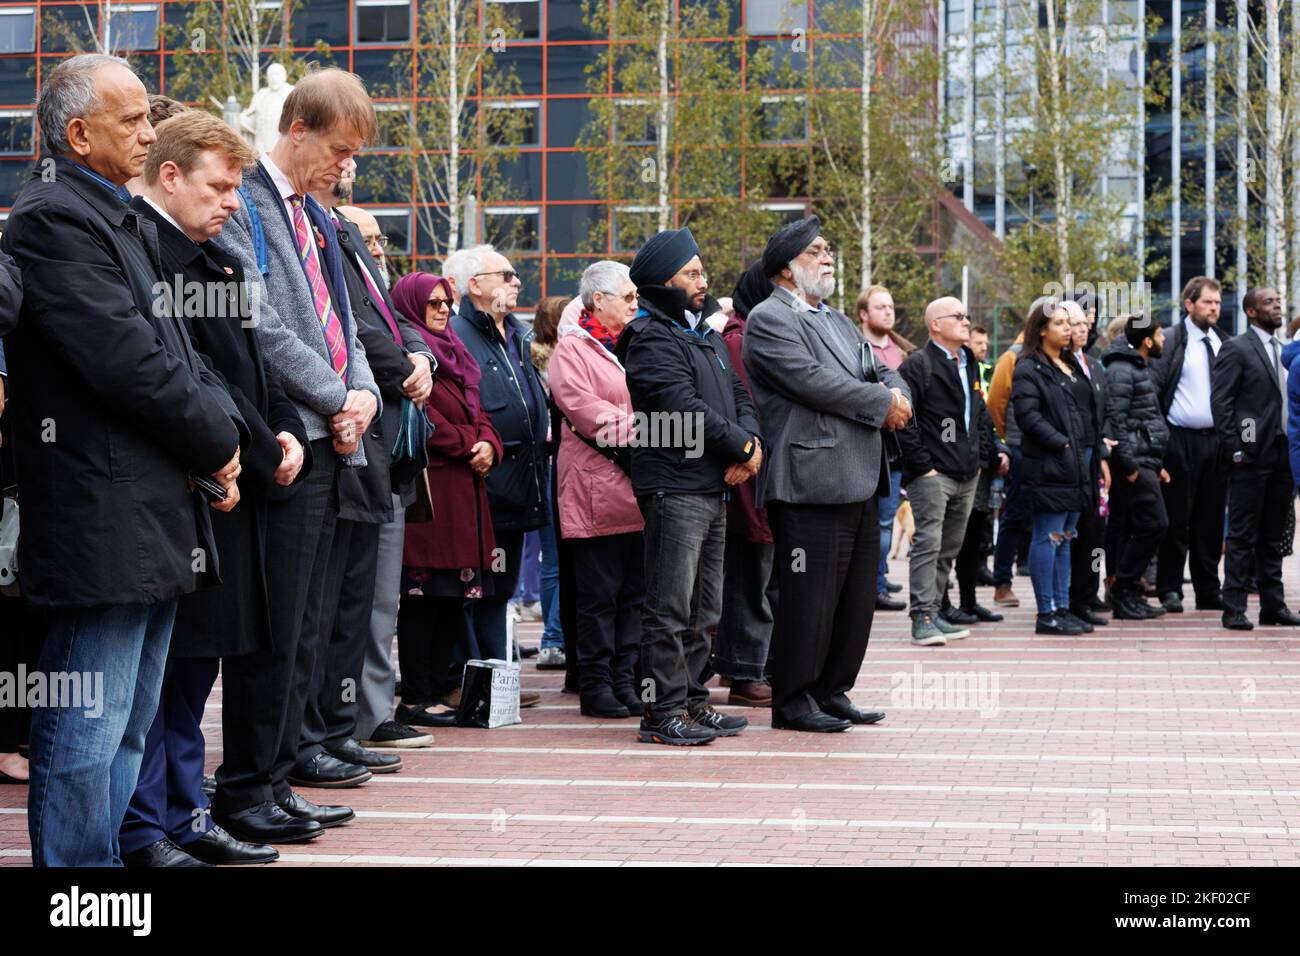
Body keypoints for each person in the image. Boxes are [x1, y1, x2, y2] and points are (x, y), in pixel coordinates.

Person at [3, 54, 244, 866]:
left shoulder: (116, 215)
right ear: (77, 133)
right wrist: (219, 439)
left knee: (128, 725)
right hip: (99, 511)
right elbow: (128, 362)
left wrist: (221, 436)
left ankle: (103, 880)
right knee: (87, 726)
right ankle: (77, 889)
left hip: (148, 509)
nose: (151, 132)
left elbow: (179, 349)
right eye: (134, 119)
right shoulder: (52, 218)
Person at [121, 110, 304, 867]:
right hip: (198, 483)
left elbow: (258, 364)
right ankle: (150, 826)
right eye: (220, 186)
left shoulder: (217, 259)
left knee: (196, 673)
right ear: (171, 177)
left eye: (235, 187)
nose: (233, 201)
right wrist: (258, 450)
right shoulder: (149, 253)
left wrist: (288, 425)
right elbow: (197, 378)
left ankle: (183, 815)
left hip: (235, 481)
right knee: (162, 681)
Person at [213, 67, 383, 844]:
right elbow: (257, 320)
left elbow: (341, 317)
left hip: (333, 441)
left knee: (308, 629)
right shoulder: (243, 201)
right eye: (340, 151)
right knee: (274, 632)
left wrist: (365, 395)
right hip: (288, 442)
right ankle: (245, 788)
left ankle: (279, 778)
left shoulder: (316, 216)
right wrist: (333, 397)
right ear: (299, 128)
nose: (346, 168)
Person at [744, 216, 912, 731]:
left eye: (828, 248)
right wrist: (882, 401)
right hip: (811, 478)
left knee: (854, 599)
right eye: (816, 251)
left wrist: (897, 392)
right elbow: (812, 381)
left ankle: (832, 690)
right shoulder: (770, 319)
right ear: (788, 269)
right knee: (809, 599)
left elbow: (880, 367)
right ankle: (793, 701)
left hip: (859, 474)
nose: (828, 257)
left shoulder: (835, 318)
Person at [304, 183, 434, 766]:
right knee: (326, 608)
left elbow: (392, 318)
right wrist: (399, 370)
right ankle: (312, 741)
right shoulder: (314, 235)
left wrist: (422, 356)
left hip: (379, 454)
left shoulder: (350, 243)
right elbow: (354, 326)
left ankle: (341, 730)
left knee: (364, 603)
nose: (377, 246)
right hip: (341, 440)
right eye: (369, 235)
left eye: (379, 238)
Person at [617, 226, 762, 745]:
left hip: (711, 484)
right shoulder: (650, 336)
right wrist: (739, 448)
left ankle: (693, 701)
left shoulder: (702, 334)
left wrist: (751, 446)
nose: (703, 280)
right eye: (692, 273)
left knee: (706, 610)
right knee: (669, 605)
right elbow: (681, 406)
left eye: (701, 271)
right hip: (674, 486)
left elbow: (739, 397)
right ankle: (660, 712)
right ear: (664, 280)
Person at [391, 273, 505, 725]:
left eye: (446, 302)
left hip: (466, 496)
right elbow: (424, 420)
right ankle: (417, 695)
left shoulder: (458, 358)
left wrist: (490, 444)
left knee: (448, 599)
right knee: (422, 599)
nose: (442, 309)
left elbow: (484, 414)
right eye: (433, 302)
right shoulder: (411, 359)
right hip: (433, 500)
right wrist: (470, 444)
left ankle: (442, 685)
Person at [448, 245, 547, 709]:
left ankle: (498, 680)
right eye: (506, 275)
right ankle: (476, 684)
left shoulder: (517, 335)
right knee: (476, 590)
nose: (516, 283)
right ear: (475, 285)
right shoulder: (458, 334)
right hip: (483, 483)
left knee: (501, 589)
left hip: (518, 485)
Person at [549, 262, 645, 717]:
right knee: (598, 596)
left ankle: (625, 679)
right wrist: (654, 430)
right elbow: (586, 412)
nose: (634, 304)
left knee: (632, 594)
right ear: (597, 301)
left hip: (635, 486)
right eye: (626, 297)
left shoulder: (634, 343)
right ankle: (596, 684)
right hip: (594, 487)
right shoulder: (572, 349)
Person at [897, 296, 1004, 645]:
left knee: (949, 546)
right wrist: (922, 466)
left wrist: (983, 456)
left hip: (966, 472)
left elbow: (979, 413)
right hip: (933, 474)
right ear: (935, 325)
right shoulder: (918, 365)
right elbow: (903, 420)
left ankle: (935, 610)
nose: (966, 321)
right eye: (957, 316)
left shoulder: (969, 360)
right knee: (928, 542)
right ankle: (922, 617)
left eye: (967, 316)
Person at [1010, 298, 1104, 636]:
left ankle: (1063, 607)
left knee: (1066, 537)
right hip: (1051, 465)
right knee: (1047, 536)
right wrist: (1061, 443)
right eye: (1061, 323)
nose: (1069, 329)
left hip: (1080, 464)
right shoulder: (1029, 367)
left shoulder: (1071, 364)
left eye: (1070, 323)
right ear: (1042, 329)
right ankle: (1046, 611)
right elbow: (1028, 416)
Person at [1211, 287, 1300, 630]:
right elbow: (1222, 403)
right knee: (1242, 534)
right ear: (1250, 311)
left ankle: (1273, 606)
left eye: (1279, 301)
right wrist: (1236, 448)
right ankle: (1233, 607)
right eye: (1268, 302)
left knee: (1274, 534)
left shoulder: (1285, 350)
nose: (1277, 306)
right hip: (1250, 454)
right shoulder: (1236, 348)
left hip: (1282, 452)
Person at [712, 261, 777, 707]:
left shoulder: (759, 334)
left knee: (765, 574)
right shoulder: (738, 338)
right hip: (749, 473)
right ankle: (743, 671)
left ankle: (757, 664)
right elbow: (743, 406)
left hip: (771, 473)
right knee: (749, 575)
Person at [1151, 276, 1228, 613]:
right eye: (1208, 302)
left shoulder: (1225, 344)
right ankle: (1170, 589)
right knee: (1175, 520)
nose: (1214, 308)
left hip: (1215, 442)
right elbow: (1152, 393)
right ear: (1189, 304)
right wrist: (1159, 443)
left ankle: (1208, 589)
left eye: (1217, 302)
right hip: (1177, 439)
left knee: (1210, 521)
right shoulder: (1169, 341)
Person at [1101, 314, 1171, 619]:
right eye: (1159, 335)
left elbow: (1144, 418)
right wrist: (1129, 465)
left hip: (1146, 461)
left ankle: (1128, 592)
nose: (1163, 339)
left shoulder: (1137, 367)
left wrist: (1157, 464)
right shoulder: (1121, 370)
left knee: (1142, 525)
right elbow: (1117, 421)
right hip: (1134, 463)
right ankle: (1123, 589)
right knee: (1155, 524)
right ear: (1146, 341)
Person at [859, 284, 915, 610]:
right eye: (880, 307)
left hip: (895, 446)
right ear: (863, 313)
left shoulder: (902, 352)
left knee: (886, 519)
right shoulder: (854, 346)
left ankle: (879, 579)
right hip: (865, 443)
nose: (888, 312)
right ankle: (871, 585)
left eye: (891, 306)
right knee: (871, 520)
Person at [524, 295, 566, 669]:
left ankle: (553, 638)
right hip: (555, 462)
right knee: (556, 559)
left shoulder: (530, 357)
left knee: (552, 560)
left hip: (545, 463)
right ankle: (554, 637)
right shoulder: (550, 361)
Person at [1065, 304, 1112, 626]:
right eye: (1075, 324)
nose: (1083, 329)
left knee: (1093, 533)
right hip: (1069, 459)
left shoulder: (1094, 365)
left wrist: (1104, 456)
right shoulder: (1057, 366)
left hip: (1094, 458)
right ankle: (1069, 600)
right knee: (1071, 532)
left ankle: (1087, 595)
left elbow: (1103, 414)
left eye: (1086, 324)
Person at [987, 323, 1031, 606]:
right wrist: (1008, 439)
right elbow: (995, 404)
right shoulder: (1012, 357)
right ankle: (1002, 581)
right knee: (1014, 514)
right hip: (1020, 446)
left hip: (1051, 449)